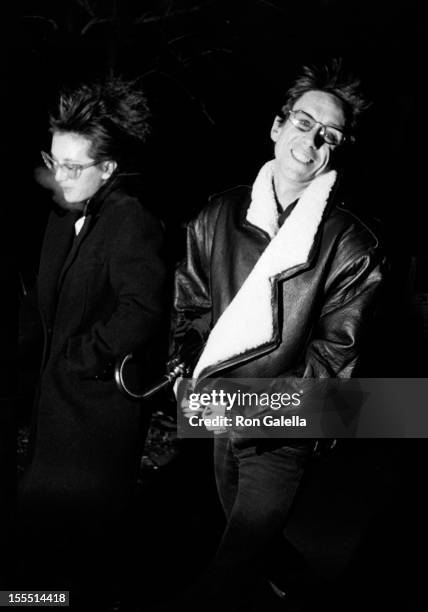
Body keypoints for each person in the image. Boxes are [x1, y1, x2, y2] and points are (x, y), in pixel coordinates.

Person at [170, 59, 385, 610]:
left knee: (226, 571)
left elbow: (336, 360)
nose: (313, 139)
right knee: (257, 555)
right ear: (277, 125)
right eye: (304, 122)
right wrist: (191, 379)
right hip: (220, 419)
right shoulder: (218, 215)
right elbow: (190, 308)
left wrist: (264, 414)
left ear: (337, 150)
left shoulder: (351, 246)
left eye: (329, 135)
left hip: (283, 434)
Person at [18, 78, 166, 607]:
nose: (58, 175)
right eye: (53, 160)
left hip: (94, 419)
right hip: (52, 407)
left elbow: (144, 308)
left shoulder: (132, 220)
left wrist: (83, 357)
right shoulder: (62, 213)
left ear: (108, 169)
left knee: (82, 551)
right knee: (42, 545)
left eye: (73, 166)